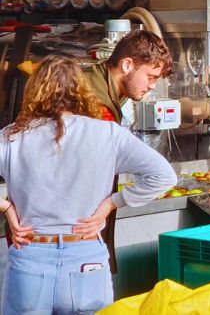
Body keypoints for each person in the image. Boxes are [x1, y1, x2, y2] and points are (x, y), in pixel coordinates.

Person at [0, 56, 176, 314]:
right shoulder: (108, 134)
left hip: (30, 257)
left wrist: (6, 207)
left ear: (34, 91)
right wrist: (112, 203)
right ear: (80, 90)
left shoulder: (12, 136)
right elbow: (164, 175)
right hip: (86, 258)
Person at [81, 29, 174, 272]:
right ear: (127, 64)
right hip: (79, 230)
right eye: (150, 77)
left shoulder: (99, 82)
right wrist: (113, 203)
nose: (152, 86)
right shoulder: (96, 106)